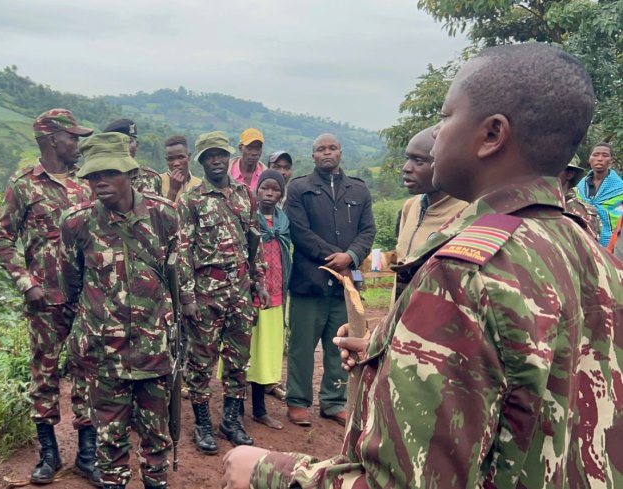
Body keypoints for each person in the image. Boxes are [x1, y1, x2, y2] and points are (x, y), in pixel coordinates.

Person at [223, 42, 623, 489]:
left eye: (447, 115)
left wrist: (268, 472)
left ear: (492, 135)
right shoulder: (590, 252)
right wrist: (386, 349)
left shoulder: (466, 272)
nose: (436, 133)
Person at [59, 132, 181, 489]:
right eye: (93, 176)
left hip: (154, 350)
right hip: (103, 354)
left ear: (129, 173)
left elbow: (177, 279)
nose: (100, 182)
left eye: (109, 173)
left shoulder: (164, 216)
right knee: (109, 439)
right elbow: (69, 286)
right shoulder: (77, 223)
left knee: (157, 436)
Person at [0, 109, 100, 485]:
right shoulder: (23, 185)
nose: (77, 144)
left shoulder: (87, 183)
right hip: (45, 300)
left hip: (87, 298)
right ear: (53, 139)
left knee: (88, 371)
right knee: (45, 374)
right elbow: (2, 239)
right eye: (73, 137)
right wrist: (27, 283)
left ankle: (88, 454)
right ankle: (49, 454)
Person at [179, 131, 270, 455]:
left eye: (220, 154)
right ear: (201, 161)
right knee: (201, 363)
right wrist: (188, 297)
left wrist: (259, 282)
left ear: (227, 156)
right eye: (209, 156)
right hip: (207, 293)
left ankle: (231, 420)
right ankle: (202, 424)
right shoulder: (191, 200)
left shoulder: (245, 195)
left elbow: (254, 243)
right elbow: (182, 251)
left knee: (237, 361)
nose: (216, 160)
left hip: (240, 291)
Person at [283, 133, 376, 427]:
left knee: (340, 344)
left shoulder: (358, 190)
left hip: (345, 285)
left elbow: (368, 231)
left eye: (332, 148)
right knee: (301, 346)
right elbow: (299, 231)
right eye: (320, 149)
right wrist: (335, 257)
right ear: (312, 156)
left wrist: (351, 256)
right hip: (309, 282)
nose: (327, 153)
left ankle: (334, 401)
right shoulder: (299, 189)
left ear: (340, 152)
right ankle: (297, 401)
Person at [394, 126, 468, 299]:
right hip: (399, 319)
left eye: (419, 161)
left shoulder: (467, 214)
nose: (406, 168)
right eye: (407, 159)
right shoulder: (410, 207)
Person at [246, 170, 291, 431]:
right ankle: (236, 408)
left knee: (266, 353)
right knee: (245, 352)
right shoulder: (248, 218)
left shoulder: (284, 223)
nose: (269, 194)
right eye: (265, 188)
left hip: (275, 296)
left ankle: (260, 409)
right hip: (252, 294)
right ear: (257, 191)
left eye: (275, 189)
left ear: (280, 194)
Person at [576, 142, 623, 247]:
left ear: (610, 160)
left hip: (613, 247)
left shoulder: (620, 190)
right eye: (595, 155)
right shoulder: (579, 188)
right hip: (583, 243)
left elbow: (619, 221)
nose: (600, 158)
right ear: (590, 159)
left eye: (605, 155)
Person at [104, 118, 163, 195]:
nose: (125, 147)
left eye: (129, 141)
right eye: (118, 142)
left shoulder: (152, 177)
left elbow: (160, 206)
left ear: (137, 145)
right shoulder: (101, 179)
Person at [559, 155, 599, 240]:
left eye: (554, 169)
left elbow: (590, 250)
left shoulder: (584, 213)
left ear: (569, 174)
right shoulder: (533, 205)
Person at [160, 135, 202, 202]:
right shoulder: (157, 182)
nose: (176, 163)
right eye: (170, 159)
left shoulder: (199, 185)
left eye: (180, 157)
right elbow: (157, 212)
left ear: (189, 157)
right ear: (166, 161)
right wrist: (172, 191)